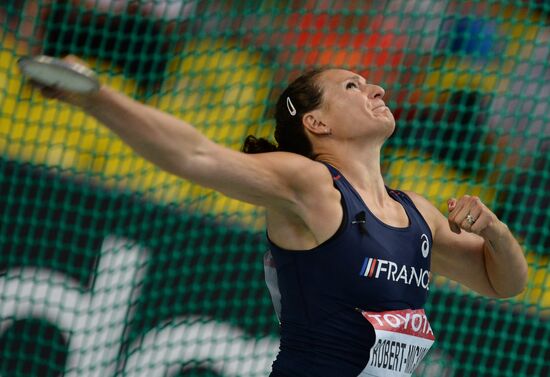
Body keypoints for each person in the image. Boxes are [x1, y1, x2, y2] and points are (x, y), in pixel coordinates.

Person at [32, 58, 528, 377]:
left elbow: (503, 283)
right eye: (354, 86)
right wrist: (97, 98)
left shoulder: (417, 213)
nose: (376, 88)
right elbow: (196, 156)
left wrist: (493, 230)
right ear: (318, 123)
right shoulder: (313, 188)